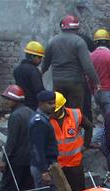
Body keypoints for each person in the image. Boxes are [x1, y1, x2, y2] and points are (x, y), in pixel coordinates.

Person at [41, 15, 99, 145]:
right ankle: (74, 140)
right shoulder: (79, 42)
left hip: (58, 82)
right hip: (75, 83)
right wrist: (96, 81)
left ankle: (57, 139)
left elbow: (45, 63)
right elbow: (87, 65)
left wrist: (40, 73)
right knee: (75, 113)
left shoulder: (52, 41)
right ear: (76, 28)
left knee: (57, 110)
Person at [0, 85, 34, 191]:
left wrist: (4, 159)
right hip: (29, 159)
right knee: (26, 190)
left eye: (8, 99)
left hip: (16, 160)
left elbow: (11, 141)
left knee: (9, 190)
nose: (6, 102)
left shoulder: (16, 116)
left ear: (15, 100)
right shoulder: (30, 112)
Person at [50, 92, 85, 191]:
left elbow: (89, 126)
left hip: (75, 162)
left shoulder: (75, 115)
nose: (52, 113)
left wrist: (85, 145)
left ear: (62, 107)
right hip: (57, 165)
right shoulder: (47, 119)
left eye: (55, 111)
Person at [29, 91, 60, 191]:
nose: (53, 106)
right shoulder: (39, 122)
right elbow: (37, 149)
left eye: (54, 103)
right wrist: (44, 171)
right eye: (49, 103)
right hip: (43, 166)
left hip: (46, 165)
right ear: (41, 104)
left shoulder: (43, 119)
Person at [90, 29, 110, 117]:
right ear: (108, 42)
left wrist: (93, 90)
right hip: (109, 93)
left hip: (97, 93)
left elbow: (88, 77)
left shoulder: (91, 56)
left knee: (105, 120)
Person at [13, 42, 45, 110]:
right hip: (33, 106)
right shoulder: (33, 71)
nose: (41, 60)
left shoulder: (17, 69)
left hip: (21, 105)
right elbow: (39, 90)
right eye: (39, 57)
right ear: (32, 56)